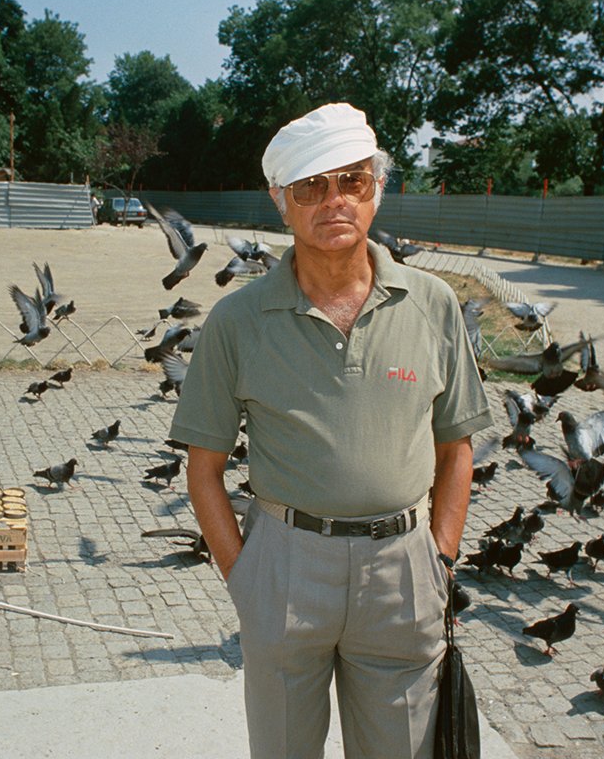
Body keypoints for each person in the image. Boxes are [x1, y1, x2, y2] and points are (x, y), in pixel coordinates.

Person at [169, 102, 493, 758]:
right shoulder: (237, 321)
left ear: (378, 188)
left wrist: (440, 558)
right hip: (286, 568)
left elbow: (456, 447)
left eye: (352, 180)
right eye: (310, 186)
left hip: (403, 572)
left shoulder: (432, 304)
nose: (334, 200)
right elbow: (203, 471)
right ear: (279, 202)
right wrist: (246, 578)